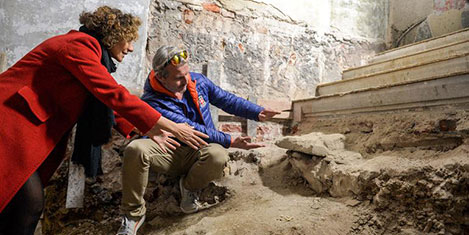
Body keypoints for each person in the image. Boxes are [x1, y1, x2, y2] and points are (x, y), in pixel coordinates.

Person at [0, 7, 208, 235]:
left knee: (19, 205)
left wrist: (143, 129)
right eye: (128, 40)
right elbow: (112, 93)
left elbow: (105, 101)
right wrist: (168, 126)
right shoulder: (77, 46)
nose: (130, 48)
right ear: (113, 35)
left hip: (22, 130)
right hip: (10, 124)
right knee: (29, 203)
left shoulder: (90, 55)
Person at [117, 45, 280, 234]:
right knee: (136, 148)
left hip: (198, 149)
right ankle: (134, 215)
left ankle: (188, 188)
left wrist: (257, 111)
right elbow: (192, 129)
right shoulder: (152, 101)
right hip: (170, 152)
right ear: (161, 77)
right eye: (178, 77)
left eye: (186, 73)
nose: (186, 80)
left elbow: (226, 99)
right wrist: (232, 141)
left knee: (218, 155)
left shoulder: (197, 81)